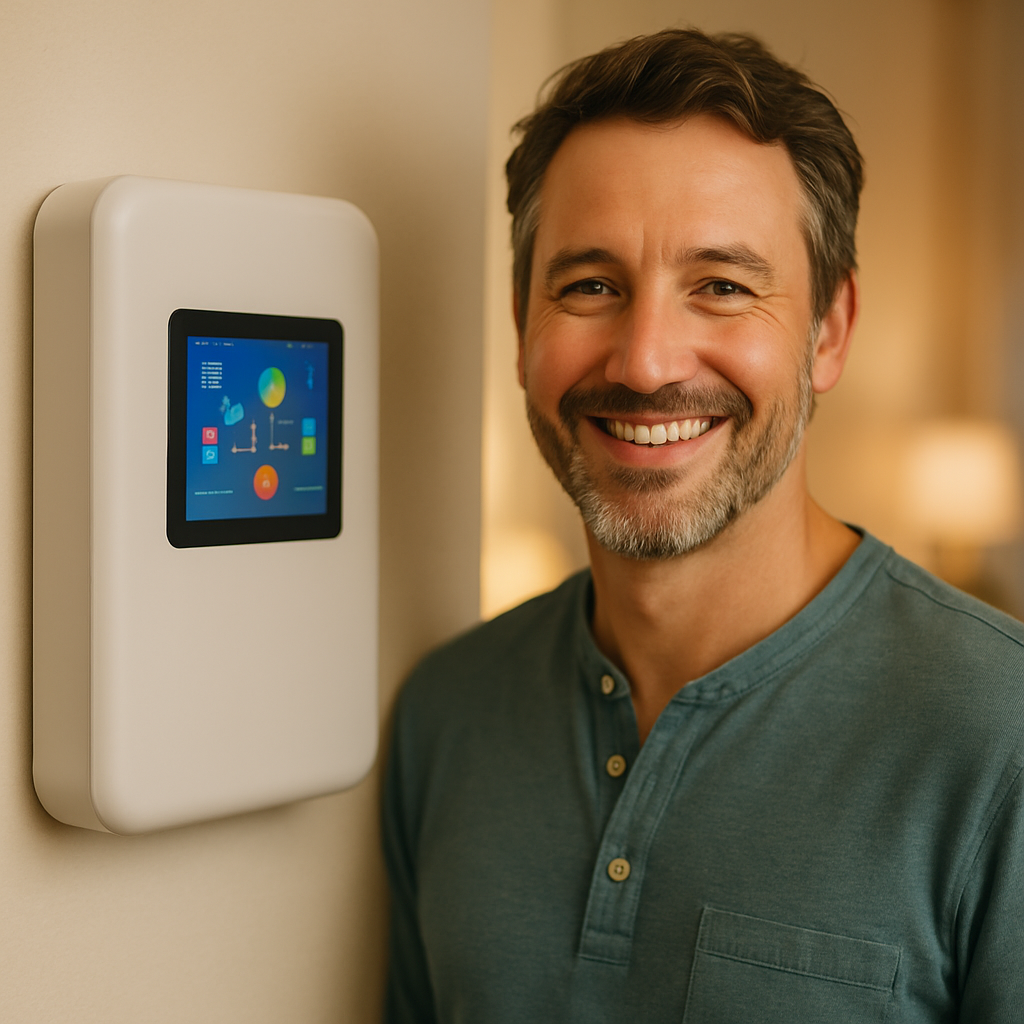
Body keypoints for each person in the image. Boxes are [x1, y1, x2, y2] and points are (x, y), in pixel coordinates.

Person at [382, 28, 1024, 1023]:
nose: (644, 362)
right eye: (589, 286)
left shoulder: (1001, 735)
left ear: (829, 332)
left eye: (721, 287)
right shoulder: (444, 716)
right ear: (521, 329)